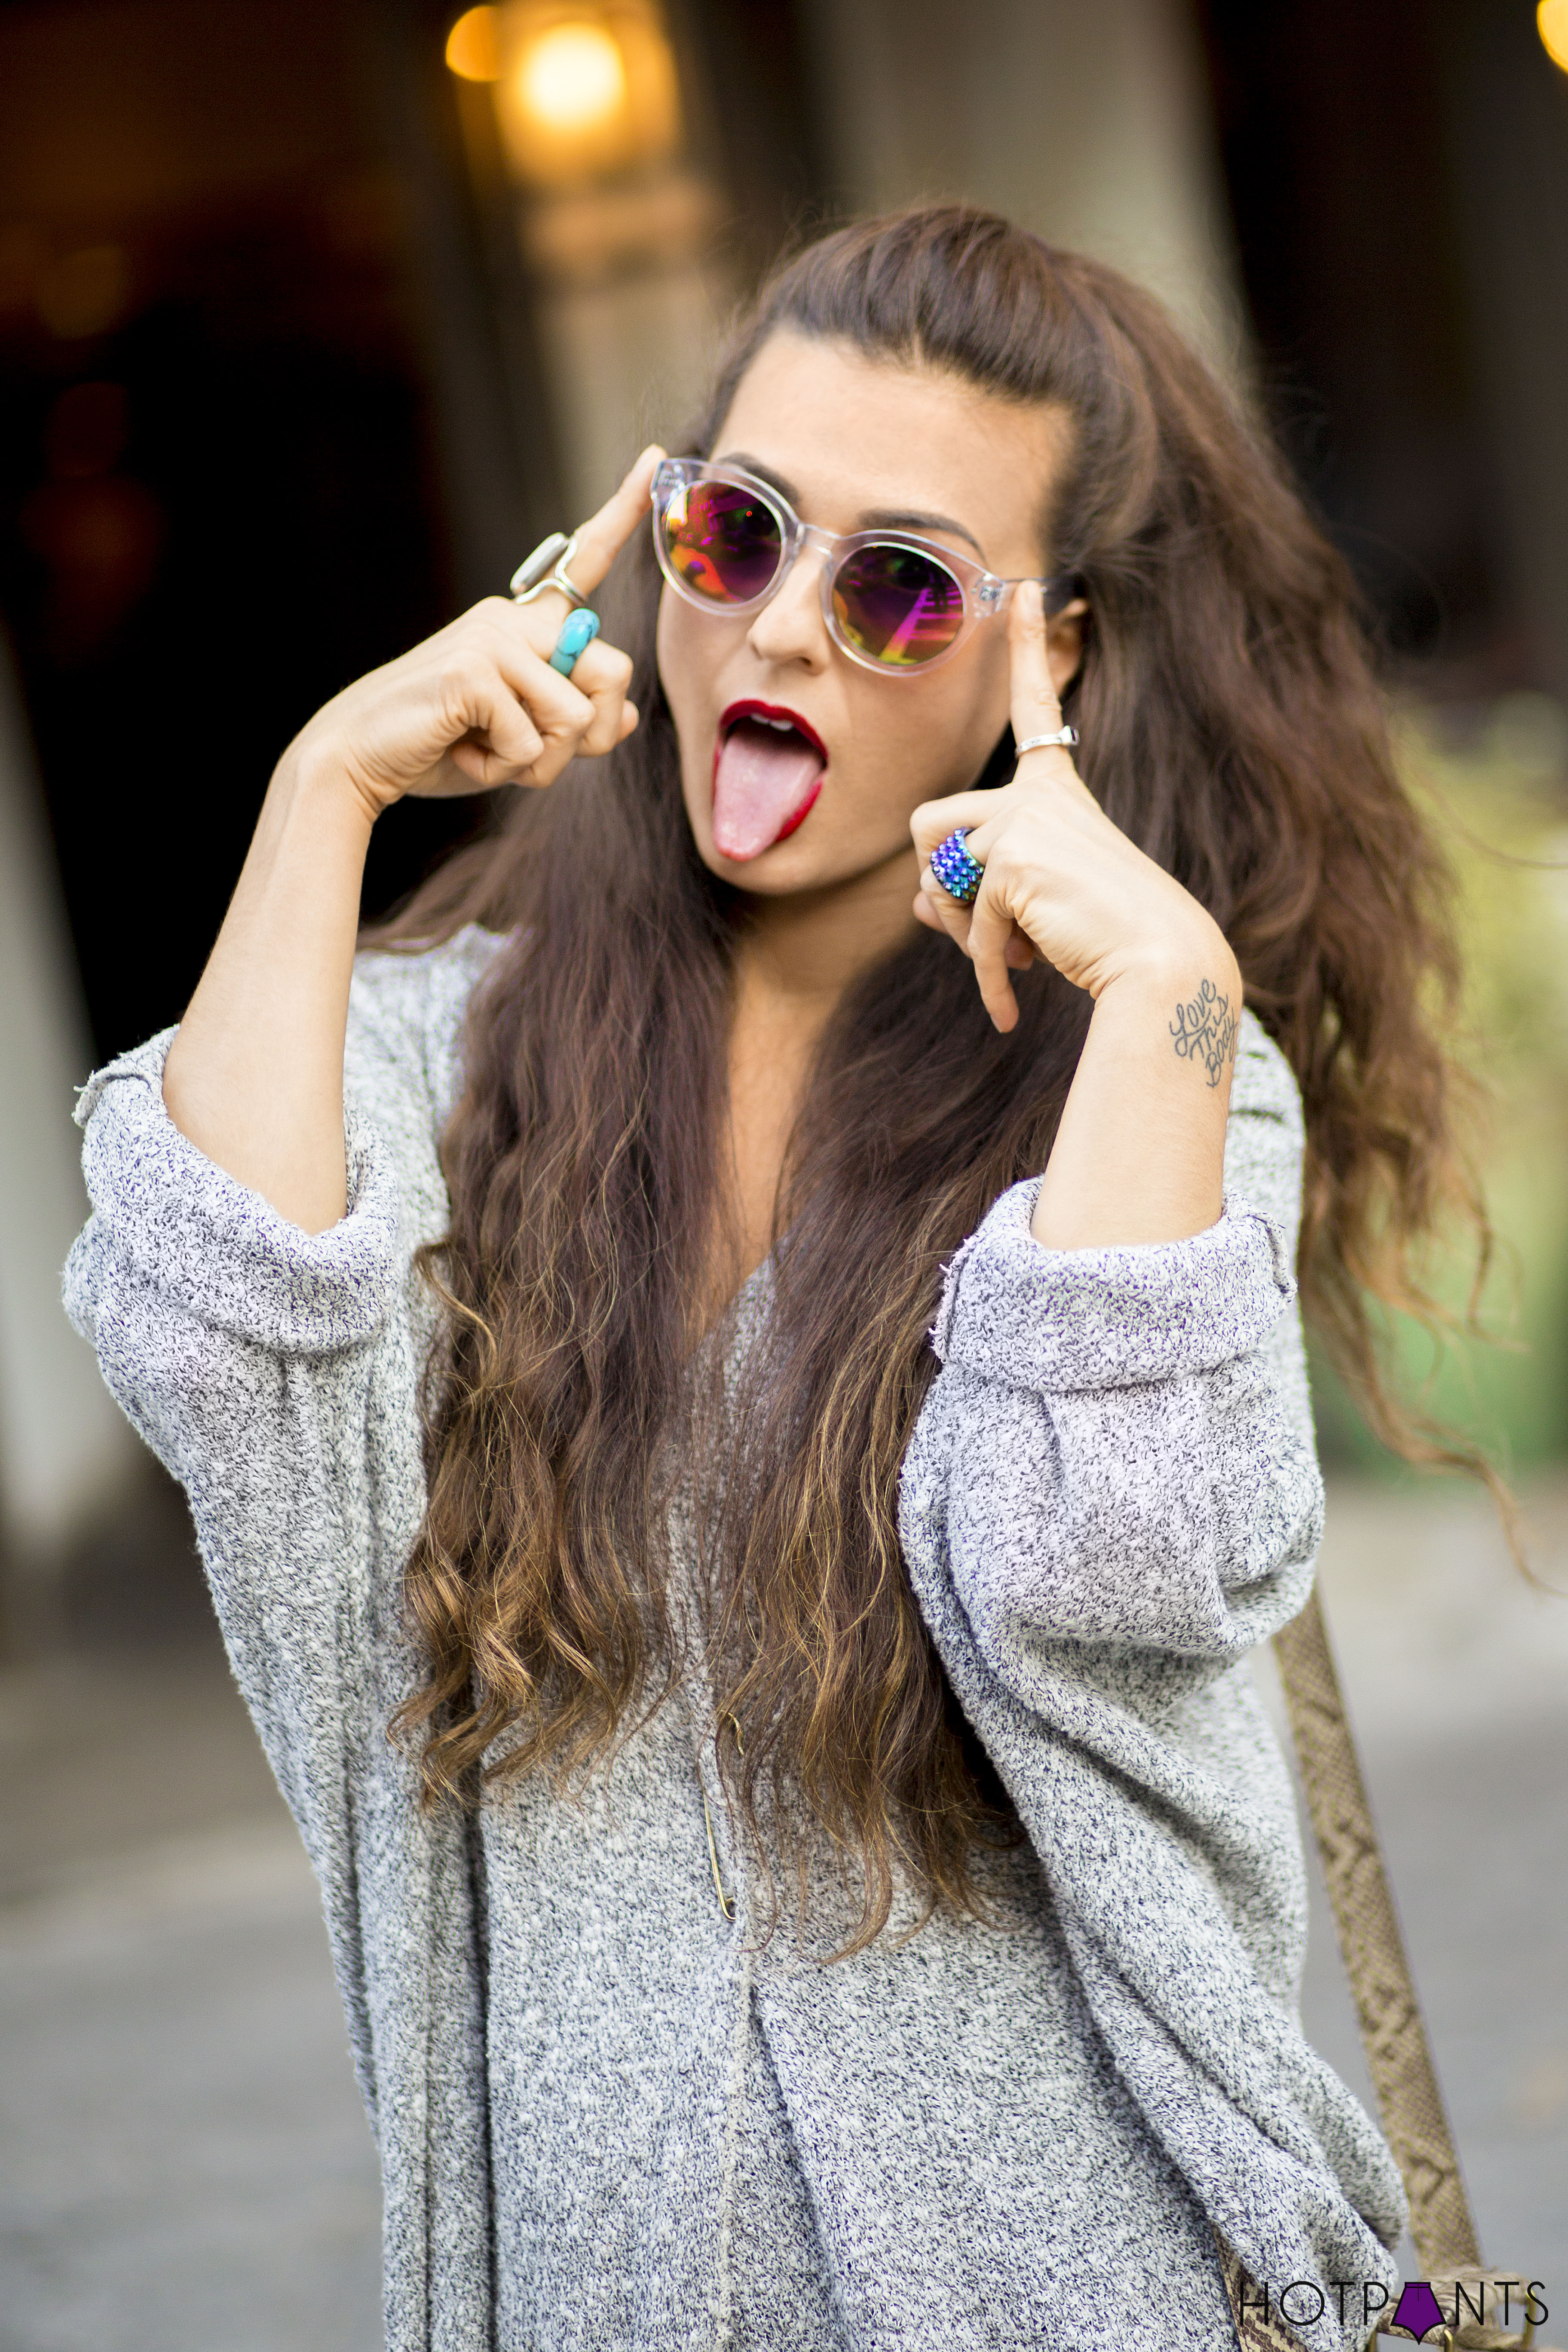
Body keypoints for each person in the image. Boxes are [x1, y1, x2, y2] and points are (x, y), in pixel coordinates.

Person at [67, 205, 1480, 2351]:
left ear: (1055, 654)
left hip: (1077, 2287)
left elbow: (1101, 1566)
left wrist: (1178, 973)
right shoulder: (449, 1057)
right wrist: (321, 785)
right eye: (740, 534)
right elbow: (215, 1336)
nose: (791, 630)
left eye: (901, 586)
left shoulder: (1153, 1075)